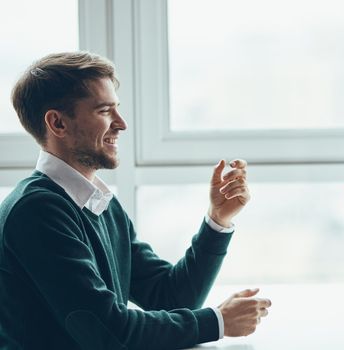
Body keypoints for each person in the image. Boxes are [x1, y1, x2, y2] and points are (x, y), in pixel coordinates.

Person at [0, 52, 271, 349]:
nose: (122, 123)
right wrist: (217, 321)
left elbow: (170, 298)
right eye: (105, 111)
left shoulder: (98, 203)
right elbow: (110, 330)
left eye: (117, 109)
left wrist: (217, 220)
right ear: (58, 123)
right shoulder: (36, 212)